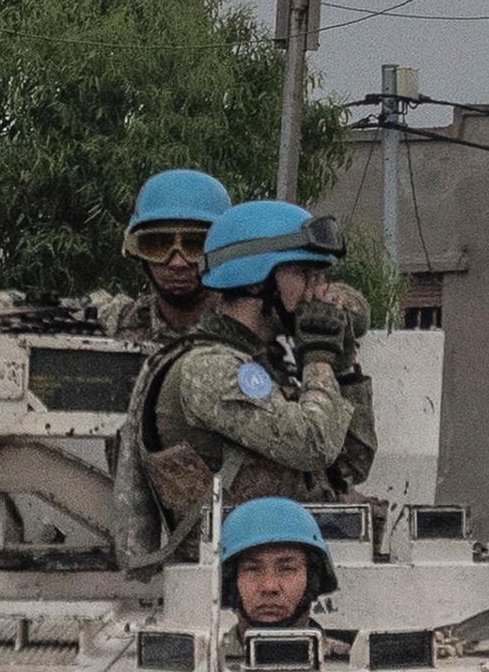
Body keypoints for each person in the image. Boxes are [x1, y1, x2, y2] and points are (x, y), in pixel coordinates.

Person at [131, 200, 369, 552]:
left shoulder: (266, 363)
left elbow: (350, 466)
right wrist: (318, 358)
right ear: (258, 280)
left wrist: (342, 364)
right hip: (232, 577)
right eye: (307, 274)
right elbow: (314, 446)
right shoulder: (209, 368)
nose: (320, 292)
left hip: (281, 559)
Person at [113, 167, 230, 341]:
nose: (177, 263)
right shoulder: (121, 321)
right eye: (158, 245)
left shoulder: (250, 331)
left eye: (197, 246)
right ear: (136, 251)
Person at [215, 496, 342, 637]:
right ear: (231, 581)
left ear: (312, 579)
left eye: (287, 569)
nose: (270, 587)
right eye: (253, 569)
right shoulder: (204, 658)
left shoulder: (357, 658)